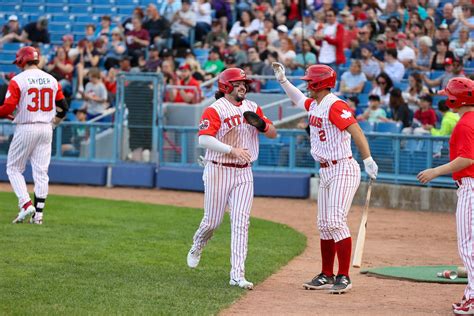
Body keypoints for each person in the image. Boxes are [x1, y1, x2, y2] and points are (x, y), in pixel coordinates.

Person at [273, 62, 378, 294]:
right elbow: (299, 99)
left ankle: (344, 276)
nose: (307, 84)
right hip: (326, 170)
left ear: (320, 83)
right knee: (324, 225)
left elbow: (356, 130)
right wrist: (283, 81)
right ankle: (326, 274)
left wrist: (368, 159)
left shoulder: (334, 104)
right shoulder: (317, 104)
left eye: (310, 81)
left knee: (336, 222)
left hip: (342, 168)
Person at [187, 67, 277, 290]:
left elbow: (273, 132)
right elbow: (204, 140)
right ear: (226, 86)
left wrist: (263, 125)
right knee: (212, 222)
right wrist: (231, 150)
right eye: (238, 83)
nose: (243, 87)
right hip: (218, 169)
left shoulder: (252, 107)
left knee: (241, 222)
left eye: (244, 83)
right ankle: (198, 244)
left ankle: (237, 275)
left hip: (244, 171)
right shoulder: (215, 109)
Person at [417, 77, 474, 314]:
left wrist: (435, 171)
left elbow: (467, 159)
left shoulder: (464, 124)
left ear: (455, 99)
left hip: (470, 186)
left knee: (468, 246)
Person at [0, 46, 69, 224]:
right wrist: (54, 122)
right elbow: (64, 108)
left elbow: (8, 108)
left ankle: (25, 204)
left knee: (14, 168)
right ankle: (38, 216)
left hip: (26, 126)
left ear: (22, 60)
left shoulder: (18, 80)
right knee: (41, 172)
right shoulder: (52, 79)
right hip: (46, 127)